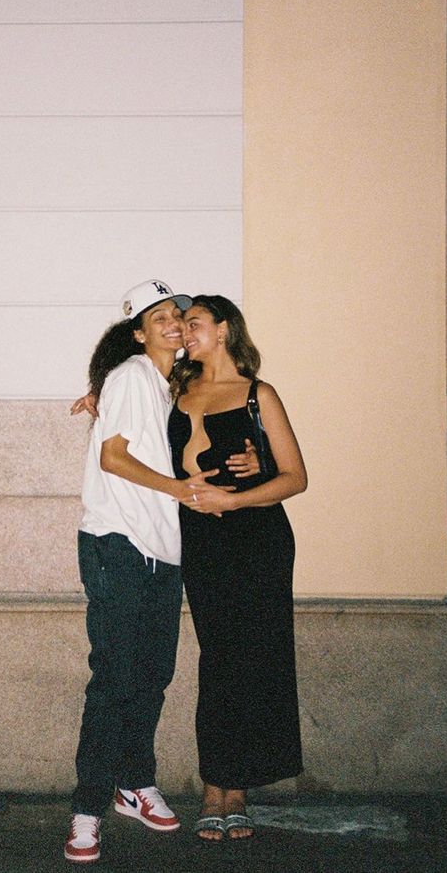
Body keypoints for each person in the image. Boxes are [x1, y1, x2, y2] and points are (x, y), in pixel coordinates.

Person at [65, 280, 257, 864]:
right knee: (115, 676)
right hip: (118, 545)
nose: (174, 321)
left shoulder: (170, 386)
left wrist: (251, 460)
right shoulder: (128, 375)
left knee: (151, 674)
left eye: (178, 313)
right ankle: (87, 809)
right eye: (160, 316)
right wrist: (177, 488)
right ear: (138, 332)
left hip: (163, 551)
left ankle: (134, 783)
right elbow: (113, 457)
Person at [167, 295, 307, 842]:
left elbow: (295, 478)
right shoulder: (175, 391)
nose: (184, 332)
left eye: (194, 323)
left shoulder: (257, 395)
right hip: (202, 541)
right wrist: (96, 394)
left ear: (223, 330)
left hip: (257, 540)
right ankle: (217, 783)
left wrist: (241, 496)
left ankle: (232, 791)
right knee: (219, 656)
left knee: (255, 658)